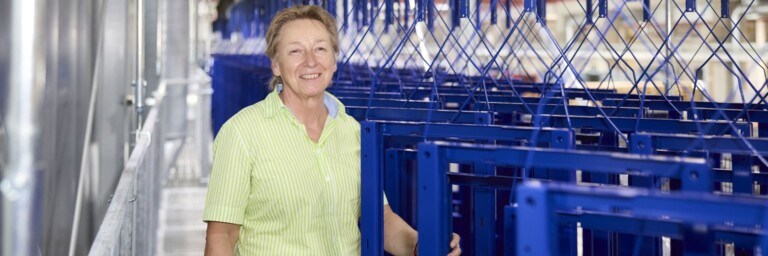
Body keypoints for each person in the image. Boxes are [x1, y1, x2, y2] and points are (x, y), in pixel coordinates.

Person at [202, 5, 461, 256]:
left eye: (320, 49)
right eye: (295, 51)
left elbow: (380, 219)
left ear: (334, 60)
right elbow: (222, 235)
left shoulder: (353, 132)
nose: (311, 61)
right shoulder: (241, 133)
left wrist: (420, 245)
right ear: (276, 65)